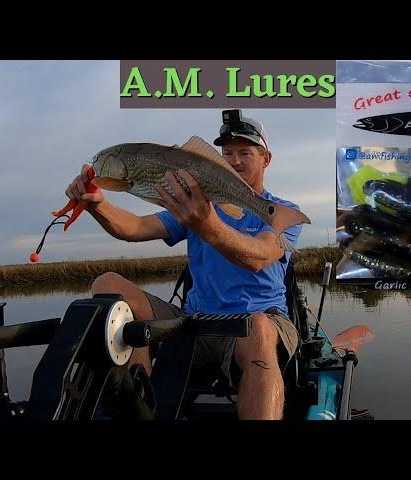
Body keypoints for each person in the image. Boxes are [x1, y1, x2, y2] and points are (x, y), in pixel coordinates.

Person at [64, 109, 304, 420]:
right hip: (195, 321)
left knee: (258, 328)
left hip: (261, 322)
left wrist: (208, 226)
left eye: (245, 152)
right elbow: (136, 227)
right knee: (107, 285)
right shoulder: (195, 203)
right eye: (227, 153)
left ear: (265, 159)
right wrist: (97, 204)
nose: (235, 161)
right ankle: (141, 404)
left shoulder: (282, 211)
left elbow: (258, 257)